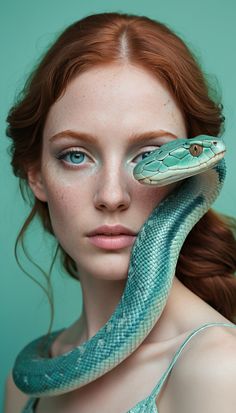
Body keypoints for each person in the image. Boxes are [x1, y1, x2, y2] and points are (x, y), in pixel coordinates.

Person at [4, 12, 236, 413]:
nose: (111, 195)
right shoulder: (24, 382)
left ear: (193, 173)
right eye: (75, 155)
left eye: (147, 155)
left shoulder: (219, 371)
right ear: (36, 175)